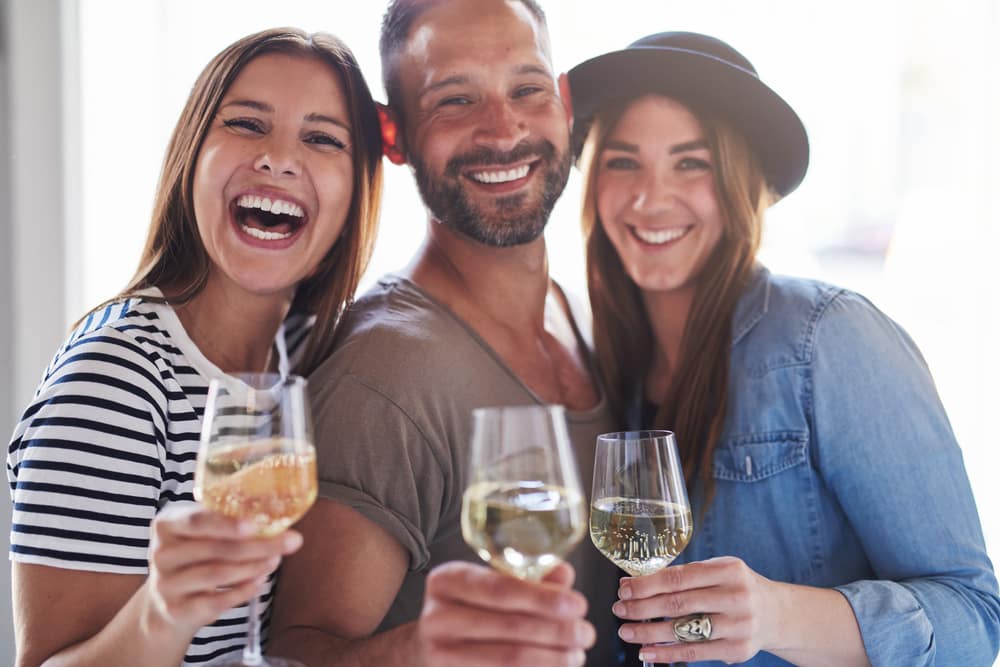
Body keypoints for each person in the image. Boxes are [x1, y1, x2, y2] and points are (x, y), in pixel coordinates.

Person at [569, 31, 1000, 666]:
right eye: (623, 161)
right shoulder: (600, 363)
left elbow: (975, 620)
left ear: (742, 184)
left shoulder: (830, 337)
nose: (649, 198)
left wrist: (776, 614)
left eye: (692, 163)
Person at [7, 27, 383, 667]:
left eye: (321, 139)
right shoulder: (114, 379)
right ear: (192, 155)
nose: (278, 159)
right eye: (246, 124)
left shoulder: (323, 359)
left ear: (358, 192)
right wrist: (166, 611)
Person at [268, 1, 620, 665]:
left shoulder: (586, 320)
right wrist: (421, 651)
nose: (504, 129)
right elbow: (295, 650)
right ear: (393, 133)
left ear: (565, 102)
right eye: (455, 100)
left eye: (527, 88)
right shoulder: (385, 372)